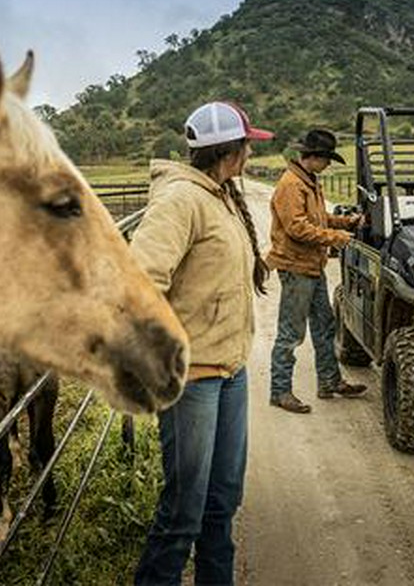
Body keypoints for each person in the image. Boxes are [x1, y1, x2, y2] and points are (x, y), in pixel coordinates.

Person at [130, 101, 272, 585]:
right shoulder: (180, 200)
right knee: (183, 512)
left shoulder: (219, 194)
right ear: (233, 153)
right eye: (249, 145)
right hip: (193, 380)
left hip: (228, 373)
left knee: (221, 502)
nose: (252, 153)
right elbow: (140, 282)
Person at [266, 128, 367, 414]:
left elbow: (318, 219)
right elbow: (297, 228)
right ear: (315, 157)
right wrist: (336, 238)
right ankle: (280, 391)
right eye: (327, 159)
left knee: (324, 326)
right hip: (297, 267)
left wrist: (344, 222)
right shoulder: (291, 185)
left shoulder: (308, 181)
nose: (329, 165)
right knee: (291, 332)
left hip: (312, 266)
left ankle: (329, 381)